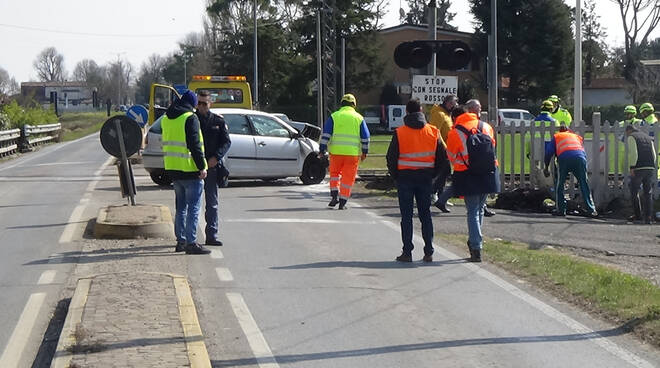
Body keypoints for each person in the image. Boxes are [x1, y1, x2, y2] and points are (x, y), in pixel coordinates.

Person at [387, 98, 449, 263]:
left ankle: (407, 252)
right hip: (425, 178)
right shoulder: (433, 131)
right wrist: (433, 174)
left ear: (407, 112)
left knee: (406, 216)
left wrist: (396, 176)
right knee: (425, 215)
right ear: (421, 111)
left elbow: (391, 158)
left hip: (405, 178)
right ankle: (428, 251)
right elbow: (443, 158)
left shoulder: (400, 132)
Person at [446, 103, 500, 262]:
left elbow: (451, 156)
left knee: (472, 211)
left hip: (467, 174)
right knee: (481, 209)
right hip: (489, 172)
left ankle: (476, 247)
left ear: (455, 118)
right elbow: (492, 148)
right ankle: (476, 241)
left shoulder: (455, 132)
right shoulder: (486, 127)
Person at [162, 90, 210, 254]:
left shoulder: (167, 118)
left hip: (173, 169)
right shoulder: (190, 118)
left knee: (180, 207)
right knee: (193, 208)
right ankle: (191, 243)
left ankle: (180, 241)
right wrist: (202, 166)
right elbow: (195, 145)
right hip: (190, 169)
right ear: (193, 104)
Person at [435, 99, 496, 216]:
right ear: (471, 109)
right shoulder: (482, 127)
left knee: (464, 192)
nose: (480, 111)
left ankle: (442, 200)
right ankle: (482, 209)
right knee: (473, 206)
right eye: (478, 108)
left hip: (466, 166)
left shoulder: (476, 127)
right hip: (470, 167)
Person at [319, 93, 370, 209]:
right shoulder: (359, 118)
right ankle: (343, 201)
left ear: (341, 104)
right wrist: (365, 152)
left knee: (334, 174)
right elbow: (365, 137)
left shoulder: (334, 116)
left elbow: (326, 135)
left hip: (336, 153)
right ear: (354, 105)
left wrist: (322, 149)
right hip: (352, 155)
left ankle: (334, 195)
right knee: (348, 178)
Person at [196, 90, 231, 246]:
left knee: (212, 203)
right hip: (194, 166)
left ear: (210, 103)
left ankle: (212, 235)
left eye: (205, 103)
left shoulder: (218, 121)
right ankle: (189, 239)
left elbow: (226, 142)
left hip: (212, 166)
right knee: (193, 204)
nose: (202, 106)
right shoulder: (192, 120)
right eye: (199, 103)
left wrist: (216, 157)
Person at [543, 126, 597, 218]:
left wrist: (546, 167)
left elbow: (548, 152)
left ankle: (561, 209)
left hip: (565, 158)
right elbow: (582, 151)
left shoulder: (557, 136)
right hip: (580, 158)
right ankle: (591, 210)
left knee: (560, 184)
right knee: (584, 183)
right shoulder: (576, 136)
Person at [428, 94, 457, 209]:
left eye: (454, 104)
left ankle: (441, 196)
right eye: (451, 103)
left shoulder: (447, 115)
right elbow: (436, 132)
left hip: (446, 149)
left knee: (445, 172)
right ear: (446, 102)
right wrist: (444, 147)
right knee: (442, 172)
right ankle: (433, 194)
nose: (453, 106)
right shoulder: (439, 114)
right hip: (440, 149)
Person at [625, 125, 657, 224]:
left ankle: (637, 215)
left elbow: (634, 153)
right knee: (648, 193)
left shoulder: (632, 137)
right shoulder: (647, 137)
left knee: (634, 191)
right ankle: (648, 217)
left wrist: (632, 167)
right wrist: (652, 164)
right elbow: (654, 154)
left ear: (628, 131)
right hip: (650, 167)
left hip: (639, 168)